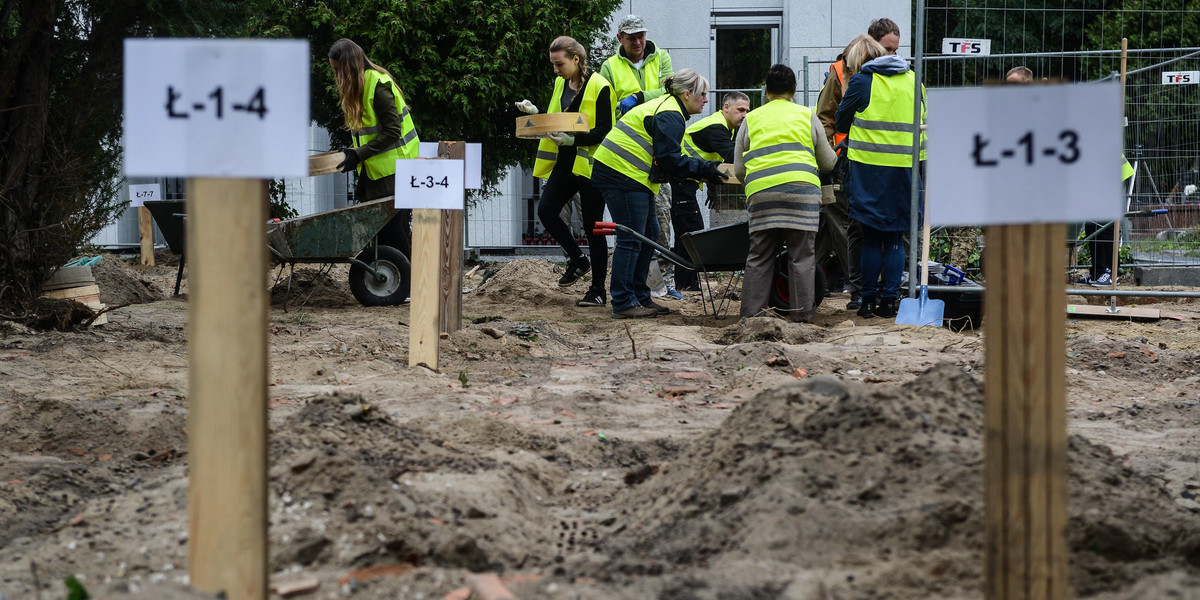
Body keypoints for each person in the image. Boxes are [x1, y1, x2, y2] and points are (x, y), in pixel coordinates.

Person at [592, 69, 727, 319]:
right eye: (703, 95)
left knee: (649, 234)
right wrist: (706, 169)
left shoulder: (670, 108)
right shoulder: (670, 113)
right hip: (621, 173)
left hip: (627, 173)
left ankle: (640, 297)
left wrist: (702, 169)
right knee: (632, 237)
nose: (706, 100)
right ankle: (622, 301)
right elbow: (670, 160)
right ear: (687, 94)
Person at [513, 36, 614, 307]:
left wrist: (574, 140)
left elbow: (605, 130)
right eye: (554, 65)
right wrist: (537, 112)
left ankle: (597, 292)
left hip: (591, 166)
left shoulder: (600, 86)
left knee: (595, 228)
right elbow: (559, 118)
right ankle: (578, 259)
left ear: (576, 60)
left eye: (560, 64)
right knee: (546, 210)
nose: (556, 70)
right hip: (566, 162)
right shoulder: (560, 84)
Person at [734, 65, 837, 323]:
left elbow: (738, 169)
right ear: (794, 90)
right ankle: (802, 317)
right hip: (802, 193)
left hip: (762, 194)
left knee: (759, 257)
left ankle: (751, 318)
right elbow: (827, 163)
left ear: (766, 90)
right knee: (802, 257)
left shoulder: (751, 119)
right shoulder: (806, 115)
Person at [835, 35, 926, 319]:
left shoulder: (864, 81)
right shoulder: (915, 80)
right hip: (906, 170)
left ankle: (868, 302)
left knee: (872, 239)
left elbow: (840, 119)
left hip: (869, 170)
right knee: (896, 238)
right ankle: (890, 302)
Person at [815, 19, 902, 311]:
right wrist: (833, 155)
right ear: (874, 44)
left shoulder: (885, 78)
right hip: (849, 160)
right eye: (887, 49)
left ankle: (870, 291)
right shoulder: (843, 73)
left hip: (872, 162)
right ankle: (863, 290)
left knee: (870, 231)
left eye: (894, 50)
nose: (892, 55)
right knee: (859, 229)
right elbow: (828, 117)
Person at [599, 15, 680, 299]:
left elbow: (670, 89)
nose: (638, 42)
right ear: (620, 38)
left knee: (656, 225)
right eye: (631, 37)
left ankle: (658, 286)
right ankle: (629, 295)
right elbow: (608, 107)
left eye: (641, 35)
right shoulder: (609, 66)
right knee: (635, 232)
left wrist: (639, 96)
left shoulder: (661, 57)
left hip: (654, 148)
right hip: (629, 153)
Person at [328, 38, 420, 260]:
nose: (336, 76)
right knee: (384, 230)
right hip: (377, 172)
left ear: (348, 66)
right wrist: (352, 152)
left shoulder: (377, 86)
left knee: (391, 229)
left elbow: (392, 132)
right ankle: (397, 283)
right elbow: (370, 135)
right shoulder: (362, 87)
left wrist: (358, 155)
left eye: (338, 69)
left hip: (395, 170)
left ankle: (405, 284)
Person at [672, 91, 750, 292]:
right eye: (740, 110)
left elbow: (713, 161)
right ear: (726, 107)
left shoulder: (724, 128)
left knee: (687, 232)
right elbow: (732, 157)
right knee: (691, 231)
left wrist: (711, 185)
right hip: (679, 178)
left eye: (747, 111)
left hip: (685, 178)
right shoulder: (716, 127)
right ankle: (687, 283)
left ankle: (685, 283)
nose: (745, 115)